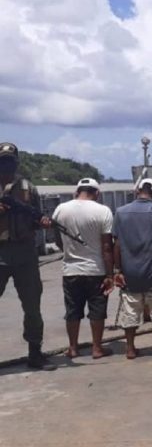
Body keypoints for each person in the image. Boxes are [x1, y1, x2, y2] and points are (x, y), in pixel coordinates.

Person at [0, 142, 55, 370]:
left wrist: (43, 222)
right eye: (3, 160)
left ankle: (35, 352)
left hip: (25, 252)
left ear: (17, 162)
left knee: (32, 305)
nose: (6, 165)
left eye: (10, 160)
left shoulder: (27, 188)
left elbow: (36, 218)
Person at [113, 178, 152, 359]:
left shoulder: (120, 212)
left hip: (129, 271)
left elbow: (116, 244)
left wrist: (118, 270)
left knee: (130, 311)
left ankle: (130, 349)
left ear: (138, 191)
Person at [52, 178, 114, 359]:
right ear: (97, 193)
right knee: (97, 310)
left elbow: (57, 239)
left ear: (76, 192)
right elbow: (107, 247)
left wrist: (69, 252)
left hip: (71, 270)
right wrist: (110, 274)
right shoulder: (103, 211)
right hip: (96, 270)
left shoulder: (60, 209)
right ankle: (97, 348)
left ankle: (73, 348)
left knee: (72, 310)